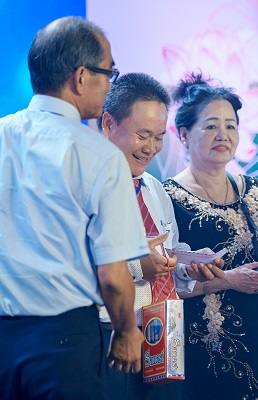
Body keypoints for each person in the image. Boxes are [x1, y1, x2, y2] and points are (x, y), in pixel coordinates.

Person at [0, 16, 149, 400]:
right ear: (81, 77)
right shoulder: (99, 155)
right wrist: (125, 331)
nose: (110, 84)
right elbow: (113, 276)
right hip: (63, 343)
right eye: (109, 73)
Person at [163, 72, 258, 400]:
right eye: (211, 126)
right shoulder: (167, 197)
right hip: (201, 348)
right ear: (183, 134)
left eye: (231, 125)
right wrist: (228, 280)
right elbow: (159, 285)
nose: (223, 135)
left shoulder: (257, 190)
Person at [99, 72, 225, 400]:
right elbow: (81, 264)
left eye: (158, 138)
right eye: (142, 136)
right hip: (110, 331)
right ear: (109, 124)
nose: (151, 148)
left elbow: (169, 251)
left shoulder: (154, 188)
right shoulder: (88, 185)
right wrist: (138, 266)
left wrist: (190, 266)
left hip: (164, 331)